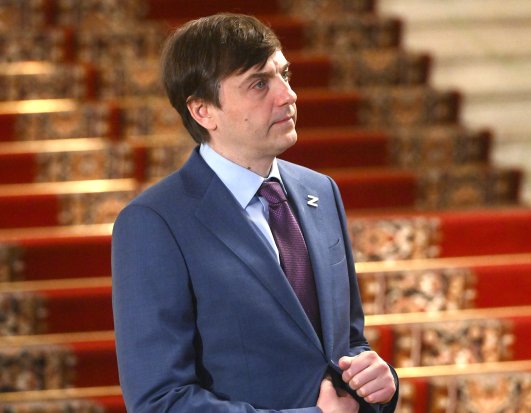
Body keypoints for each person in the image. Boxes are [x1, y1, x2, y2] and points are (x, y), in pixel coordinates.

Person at [112, 13, 398, 413]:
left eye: (285, 74)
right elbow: (159, 401)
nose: (288, 95)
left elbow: (347, 344)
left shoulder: (321, 191)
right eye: (259, 84)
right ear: (202, 111)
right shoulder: (153, 223)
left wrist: (379, 384)